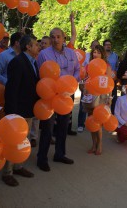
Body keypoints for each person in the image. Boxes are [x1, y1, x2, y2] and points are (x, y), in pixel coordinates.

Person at [37, 28, 80, 171]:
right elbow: (40, 74)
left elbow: (78, 70)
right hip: (50, 95)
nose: (56, 40)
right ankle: (41, 158)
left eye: (58, 37)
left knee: (63, 126)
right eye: (53, 37)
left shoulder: (71, 53)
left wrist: (72, 83)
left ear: (64, 38)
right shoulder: (44, 54)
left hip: (67, 95)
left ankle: (60, 154)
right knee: (47, 128)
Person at [1, 35, 40, 187]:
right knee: (13, 142)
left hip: (29, 110)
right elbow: (11, 90)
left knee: (23, 141)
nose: (38, 47)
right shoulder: (17, 62)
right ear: (28, 47)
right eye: (36, 44)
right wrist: (12, 114)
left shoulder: (33, 62)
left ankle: (18, 167)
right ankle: (7, 173)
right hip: (18, 112)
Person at [82, 45, 112, 155]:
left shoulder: (107, 66)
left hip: (102, 97)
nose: (95, 54)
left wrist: (109, 98)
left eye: (98, 52)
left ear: (102, 54)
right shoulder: (88, 65)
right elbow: (86, 80)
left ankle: (99, 145)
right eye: (94, 52)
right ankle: (93, 144)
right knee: (91, 120)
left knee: (98, 120)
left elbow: (109, 83)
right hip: (91, 96)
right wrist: (85, 89)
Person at [77, 40, 100, 132]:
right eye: (94, 46)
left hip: (97, 87)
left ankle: (92, 124)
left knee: (95, 106)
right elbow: (81, 70)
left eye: (97, 47)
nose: (95, 48)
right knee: (84, 105)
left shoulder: (101, 60)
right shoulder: (86, 56)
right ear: (90, 47)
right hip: (87, 84)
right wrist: (81, 83)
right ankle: (80, 124)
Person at [103, 39, 119, 113]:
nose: (108, 46)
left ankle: (112, 114)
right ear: (104, 46)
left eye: (109, 45)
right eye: (106, 45)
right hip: (103, 81)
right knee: (104, 99)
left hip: (112, 81)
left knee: (113, 98)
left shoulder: (115, 55)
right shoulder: (102, 55)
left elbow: (117, 67)